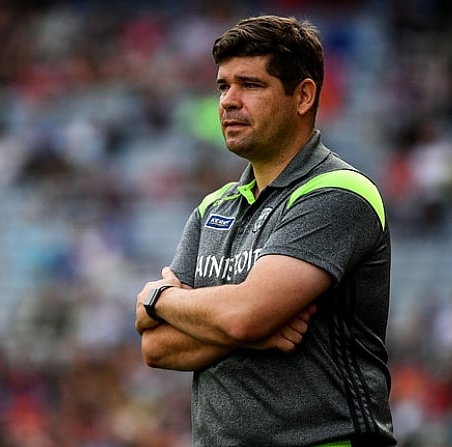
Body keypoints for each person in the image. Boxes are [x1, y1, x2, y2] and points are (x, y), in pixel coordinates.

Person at [135, 14, 396, 446]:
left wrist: (158, 298)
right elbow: (157, 348)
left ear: (303, 96)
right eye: (223, 86)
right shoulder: (212, 207)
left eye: (250, 85)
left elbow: (243, 317)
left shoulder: (338, 192)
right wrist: (248, 331)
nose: (228, 101)